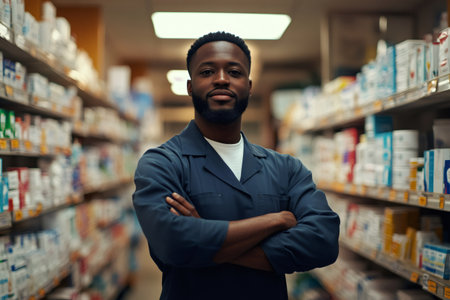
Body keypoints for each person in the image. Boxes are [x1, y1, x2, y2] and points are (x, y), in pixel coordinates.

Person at [133, 31, 340, 300]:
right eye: (207, 72)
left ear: (249, 85)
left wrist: (204, 235)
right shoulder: (162, 163)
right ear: (190, 86)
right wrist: (275, 220)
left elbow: (323, 242)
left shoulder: (286, 168)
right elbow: (172, 243)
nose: (221, 79)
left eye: (234, 71)